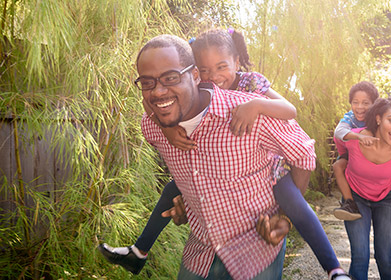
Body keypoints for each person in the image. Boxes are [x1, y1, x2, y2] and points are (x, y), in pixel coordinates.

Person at [99, 29, 351, 280]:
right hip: (200, 255)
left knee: (294, 203)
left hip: (261, 231)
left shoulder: (250, 93)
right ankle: (139, 251)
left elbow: (296, 130)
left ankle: (334, 270)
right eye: (147, 83)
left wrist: (256, 104)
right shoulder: (158, 122)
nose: (214, 76)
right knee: (171, 190)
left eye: (171, 77)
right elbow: (152, 100)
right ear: (198, 72)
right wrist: (165, 126)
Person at [334, 96, 391, 280]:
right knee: (360, 257)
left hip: (385, 200)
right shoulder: (356, 139)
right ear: (378, 119)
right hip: (356, 198)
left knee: (384, 257)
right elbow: (340, 142)